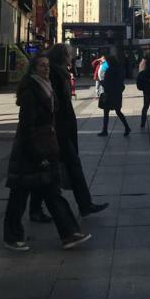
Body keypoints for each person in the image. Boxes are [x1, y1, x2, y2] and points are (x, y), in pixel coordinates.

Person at [3, 54, 91, 250]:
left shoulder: (46, 86)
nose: (46, 68)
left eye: (47, 65)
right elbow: (27, 126)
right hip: (30, 151)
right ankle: (11, 236)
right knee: (19, 196)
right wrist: (37, 154)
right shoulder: (30, 91)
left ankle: (69, 233)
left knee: (52, 192)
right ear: (34, 68)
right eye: (42, 66)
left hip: (45, 146)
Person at [47, 44, 108, 217]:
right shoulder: (55, 73)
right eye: (69, 54)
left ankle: (84, 204)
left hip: (63, 127)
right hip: (60, 128)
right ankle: (84, 204)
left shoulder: (60, 72)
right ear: (61, 56)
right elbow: (55, 105)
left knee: (59, 169)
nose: (71, 57)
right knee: (70, 167)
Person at [97, 54, 131, 136]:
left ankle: (105, 130)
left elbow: (107, 83)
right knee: (118, 111)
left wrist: (101, 83)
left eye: (108, 62)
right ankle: (126, 127)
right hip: (117, 94)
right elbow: (121, 83)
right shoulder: (120, 70)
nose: (107, 63)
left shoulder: (109, 70)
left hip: (109, 94)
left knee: (106, 112)